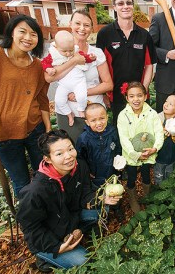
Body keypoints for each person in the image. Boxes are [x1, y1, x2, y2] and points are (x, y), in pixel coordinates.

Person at [17, 130, 122, 271]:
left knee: (103, 208)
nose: (69, 156)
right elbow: (31, 229)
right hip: (50, 237)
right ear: (47, 159)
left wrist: (102, 198)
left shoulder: (79, 166)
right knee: (86, 262)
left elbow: (85, 194)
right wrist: (57, 247)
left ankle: (78, 233)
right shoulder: (35, 192)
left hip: (69, 218)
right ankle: (44, 258)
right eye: (59, 153)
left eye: (70, 149)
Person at [0, 14, 51, 196]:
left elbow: (42, 99)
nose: (28, 38)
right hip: (4, 133)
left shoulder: (37, 66)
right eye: (22, 32)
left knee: (45, 174)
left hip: (35, 130)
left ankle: (47, 212)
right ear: (12, 33)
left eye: (33, 34)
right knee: (21, 181)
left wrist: (47, 127)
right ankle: (29, 220)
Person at [44, 9, 113, 143]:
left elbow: (108, 84)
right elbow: (49, 78)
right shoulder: (57, 49)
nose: (82, 28)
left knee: (96, 150)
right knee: (73, 149)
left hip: (94, 112)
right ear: (70, 24)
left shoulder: (96, 53)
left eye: (86, 25)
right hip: (68, 112)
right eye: (78, 23)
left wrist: (82, 94)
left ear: (91, 28)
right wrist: (74, 60)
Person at [96, 0, 157, 124]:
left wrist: (144, 91)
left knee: (141, 131)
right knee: (122, 133)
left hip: (139, 97)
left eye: (129, 3)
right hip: (116, 96)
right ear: (114, 7)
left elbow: (149, 66)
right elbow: (98, 67)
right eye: (120, 3)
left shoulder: (144, 35)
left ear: (133, 5)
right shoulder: (104, 34)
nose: (125, 6)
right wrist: (104, 94)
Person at [117, 82, 164, 213]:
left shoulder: (152, 113)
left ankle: (146, 196)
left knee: (146, 174)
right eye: (131, 96)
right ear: (127, 98)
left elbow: (159, 132)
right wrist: (134, 154)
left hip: (148, 152)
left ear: (145, 96)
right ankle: (132, 198)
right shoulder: (123, 115)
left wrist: (155, 148)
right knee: (131, 176)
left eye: (139, 95)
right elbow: (124, 138)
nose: (136, 99)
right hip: (131, 154)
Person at [75, 103, 124, 221]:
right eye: (93, 120)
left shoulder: (113, 132)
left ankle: (117, 207)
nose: (99, 123)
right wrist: (87, 172)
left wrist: (120, 161)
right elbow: (80, 158)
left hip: (112, 171)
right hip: (95, 174)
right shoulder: (84, 138)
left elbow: (118, 148)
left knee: (115, 190)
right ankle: (103, 210)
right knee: (99, 192)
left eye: (102, 118)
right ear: (87, 122)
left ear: (107, 117)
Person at [42, 30, 96, 127]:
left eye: (70, 50)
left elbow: (85, 58)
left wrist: (91, 58)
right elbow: (44, 63)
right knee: (59, 101)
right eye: (64, 51)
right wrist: (48, 68)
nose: (68, 53)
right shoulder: (53, 54)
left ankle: (81, 110)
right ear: (56, 47)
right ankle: (68, 114)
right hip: (63, 84)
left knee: (81, 96)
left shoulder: (76, 51)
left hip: (78, 81)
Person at [154, 95, 175, 185]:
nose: (166, 104)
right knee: (159, 171)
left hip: (172, 153)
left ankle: (168, 186)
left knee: (170, 170)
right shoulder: (158, 118)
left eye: (170, 104)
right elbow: (152, 132)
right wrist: (162, 131)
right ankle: (159, 186)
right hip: (161, 153)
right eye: (166, 101)